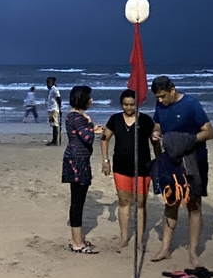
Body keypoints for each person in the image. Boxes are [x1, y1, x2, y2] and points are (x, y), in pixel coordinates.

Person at [149, 75, 213, 266]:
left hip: (194, 160)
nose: (160, 100)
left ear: (172, 90)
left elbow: (209, 132)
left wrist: (186, 141)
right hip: (171, 160)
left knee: (194, 205)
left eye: (163, 96)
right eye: (157, 98)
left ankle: (193, 252)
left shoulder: (191, 104)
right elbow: (158, 124)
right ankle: (165, 248)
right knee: (170, 201)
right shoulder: (160, 105)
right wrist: (156, 133)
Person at [100, 89, 158, 250]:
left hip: (143, 167)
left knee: (140, 203)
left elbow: (154, 142)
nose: (129, 107)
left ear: (137, 104)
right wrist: (105, 160)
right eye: (125, 104)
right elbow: (104, 138)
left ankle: (139, 240)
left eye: (132, 104)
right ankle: (124, 237)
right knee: (124, 202)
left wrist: (159, 161)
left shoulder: (145, 120)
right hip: (121, 167)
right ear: (121, 104)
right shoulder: (115, 119)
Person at [63, 85, 105, 253]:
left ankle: (78, 240)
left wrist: (90, 126)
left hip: (77, 159)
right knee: (78, 201)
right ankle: (77, 243)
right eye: (89, 97)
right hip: (77, 161)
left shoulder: (75, 115)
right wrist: (91, 125)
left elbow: (83, 133)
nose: (92, 100)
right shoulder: (77, 116)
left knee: (78, 200)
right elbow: (87, 137)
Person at [46, 77, 62, 145]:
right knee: (53, 124)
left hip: (54, 109)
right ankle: (54, 140)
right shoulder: (51, 90)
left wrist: (59, 108)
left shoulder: (55, 89)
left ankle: (55, 141)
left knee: (55, 124)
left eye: (49, 82)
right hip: (51, 109)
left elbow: (58, 99)